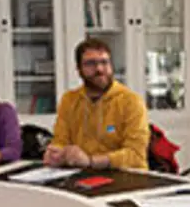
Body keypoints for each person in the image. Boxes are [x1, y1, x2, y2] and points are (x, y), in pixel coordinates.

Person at [43, 38, 149, 170]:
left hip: (126, 176)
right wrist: (56, 154)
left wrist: (91, 161)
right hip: (82, 173)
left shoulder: (131, 101)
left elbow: (135, 155)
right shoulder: (69, 100)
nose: (99, 69)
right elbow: (60, 140)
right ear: (78, 69)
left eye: (104, 62)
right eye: (90, 63)